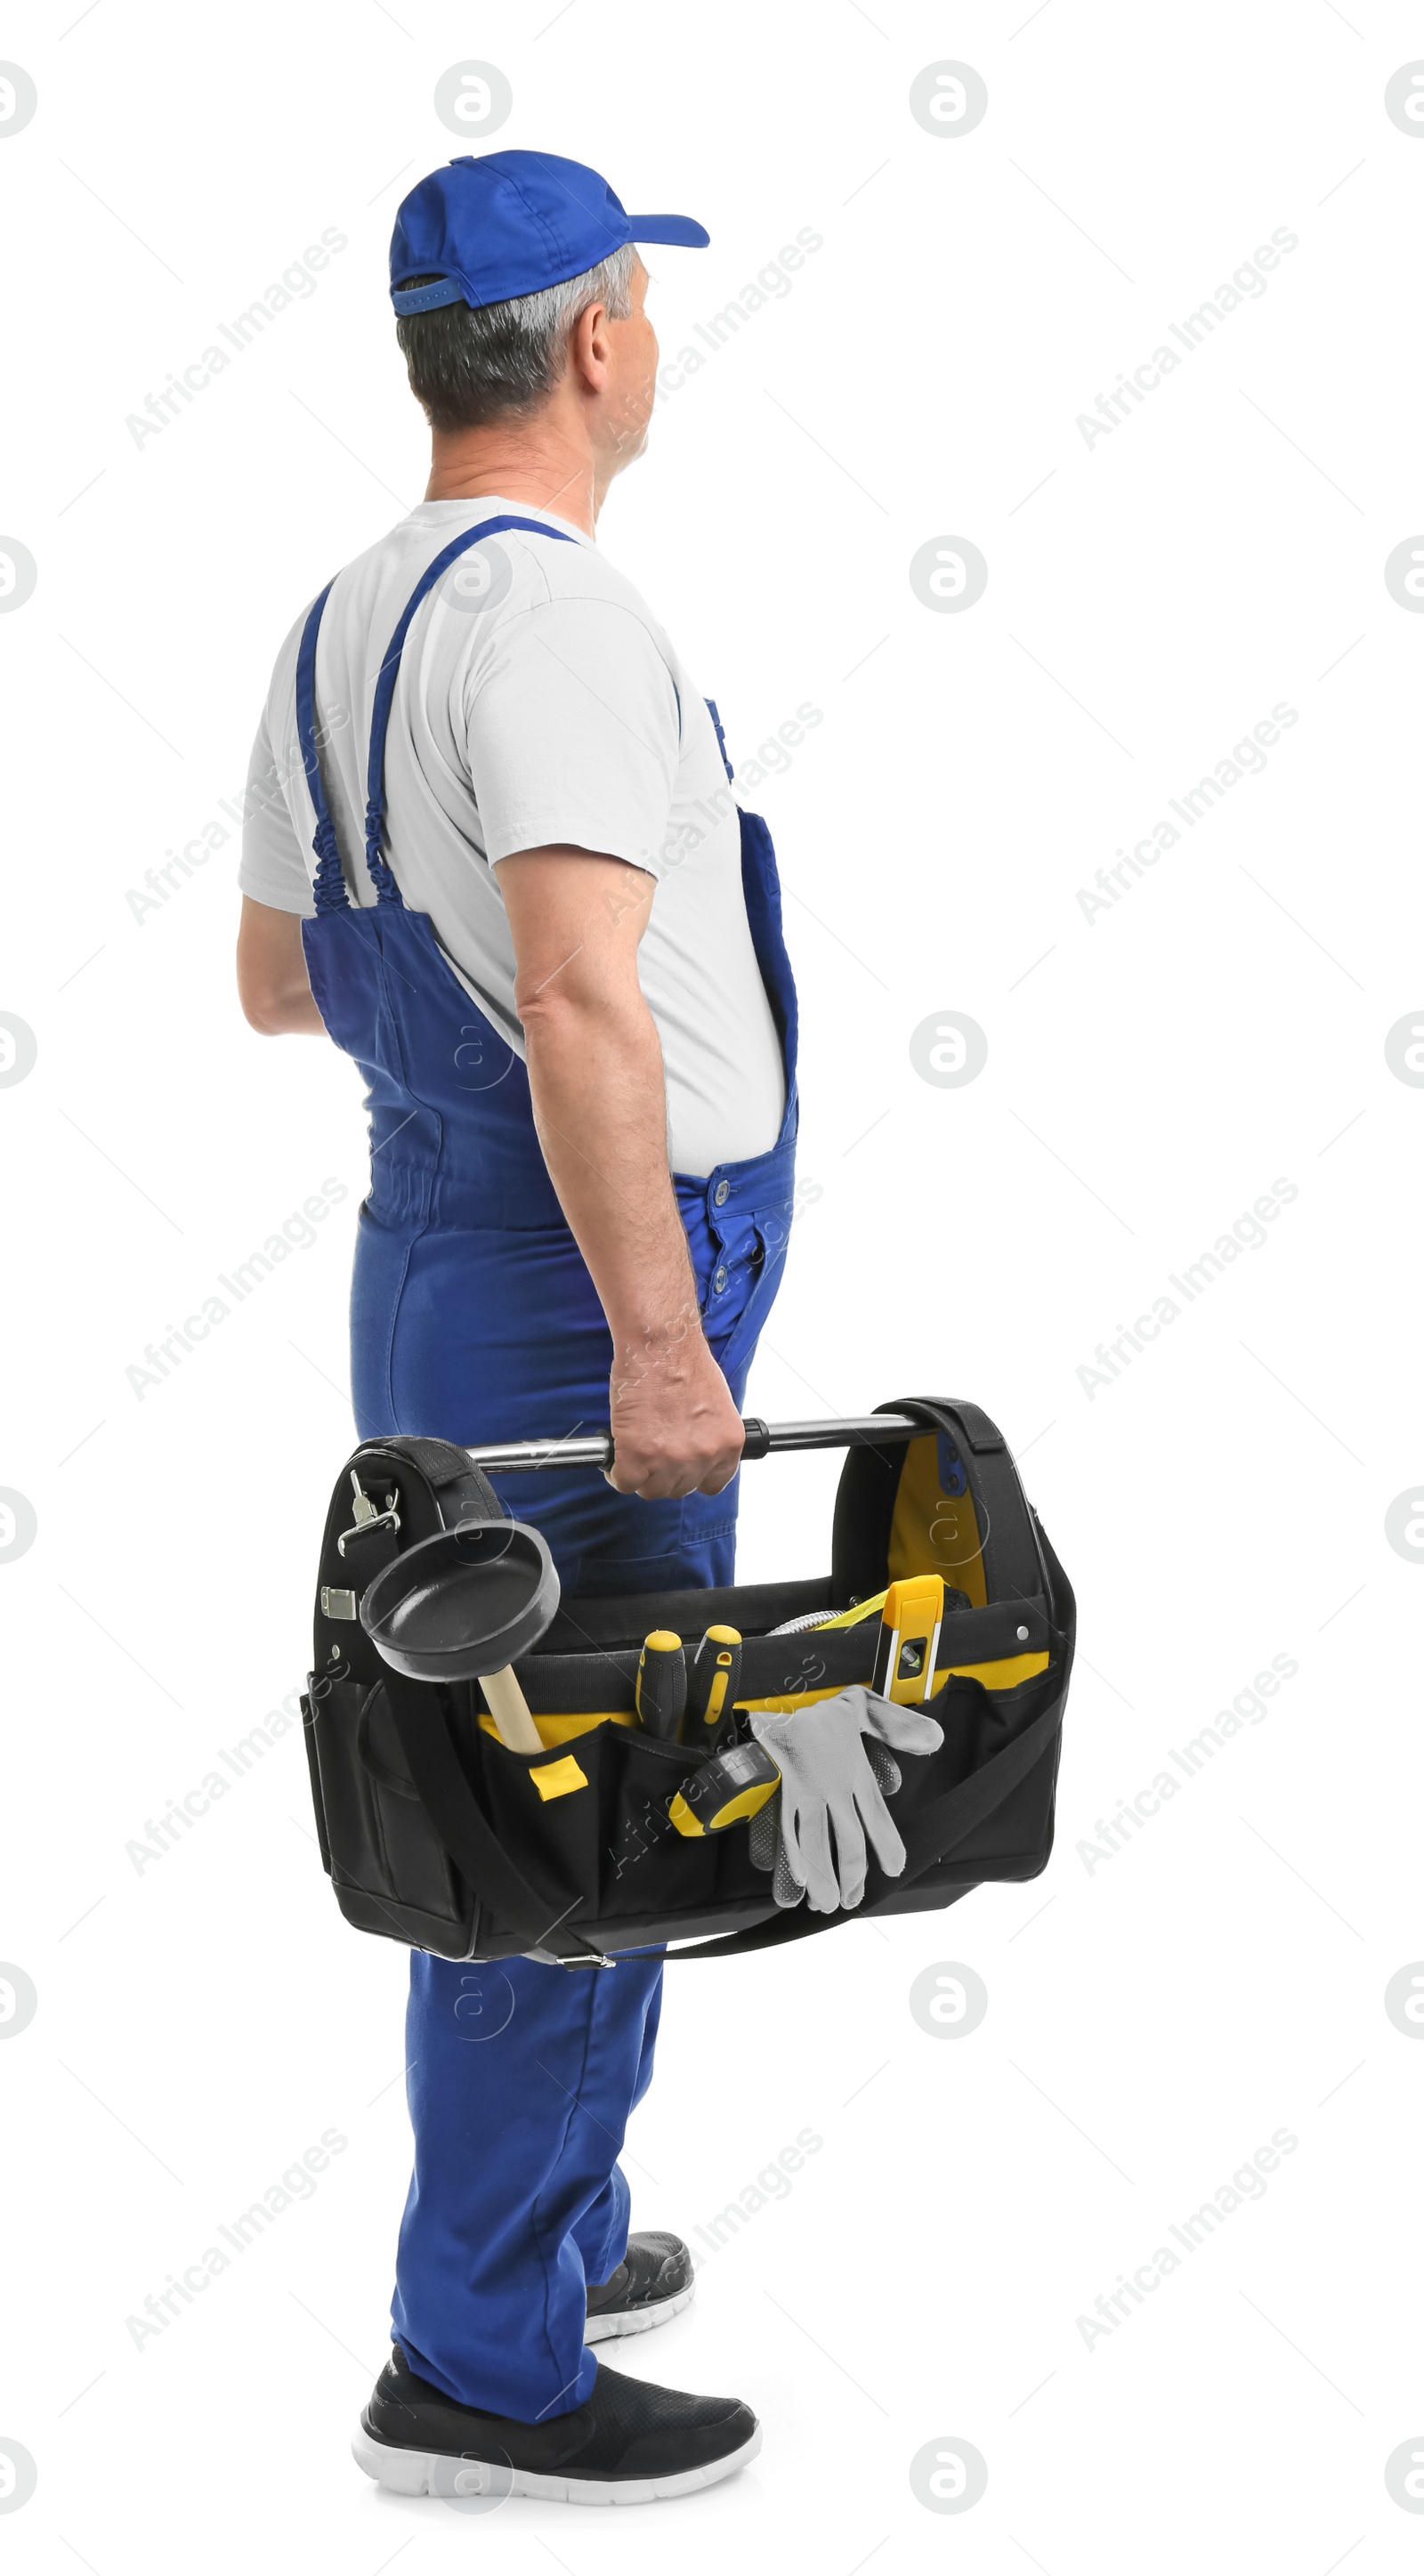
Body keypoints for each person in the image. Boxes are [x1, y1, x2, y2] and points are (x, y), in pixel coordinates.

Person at [235, 150, 798, 2505]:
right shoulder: (558, 621)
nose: (650, 340)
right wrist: (660, 1348)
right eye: (638, 307)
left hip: (447, 1257)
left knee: (521, 1767)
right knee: (569, 1805)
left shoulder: (343, 619)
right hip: (585, 1297)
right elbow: (580, 1002)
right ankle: (482, 2360)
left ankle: (537, 2233)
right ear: (592, 342)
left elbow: (279, 987)